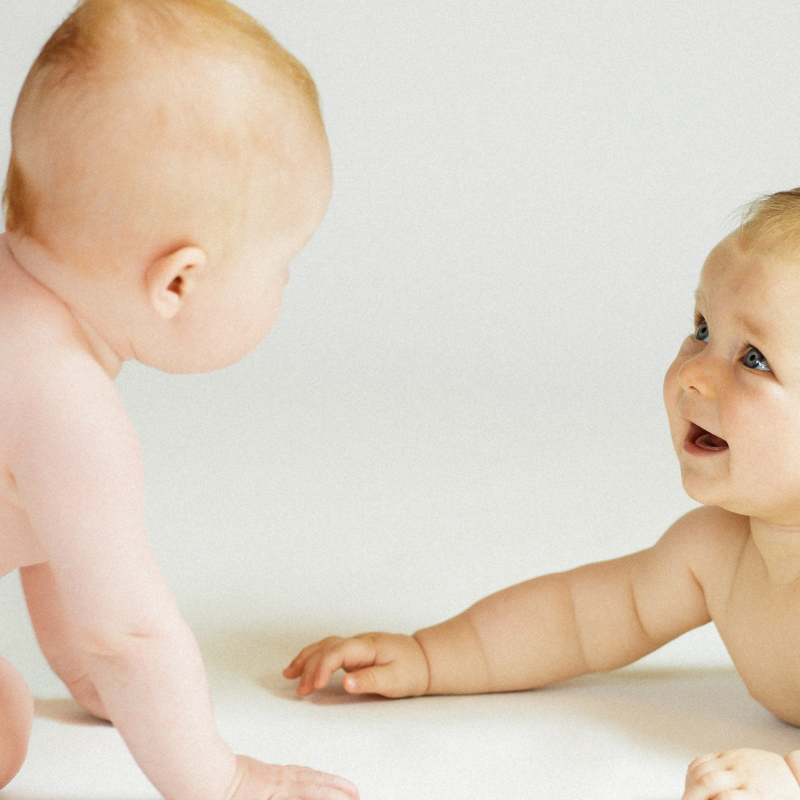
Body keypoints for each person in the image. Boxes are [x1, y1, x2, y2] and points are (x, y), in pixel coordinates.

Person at [285, 188, 800, 799]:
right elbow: (578, 619)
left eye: (753, 359)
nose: (693, 371)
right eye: (701, 329)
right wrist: (429, 657)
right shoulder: (716, 550)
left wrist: (788, 776)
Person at [0, 1, 358, 798]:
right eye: (283, 260)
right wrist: (223, 781)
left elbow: (51, 541)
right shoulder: (70, 411)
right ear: (179, 281)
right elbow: (127, 634)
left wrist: (96, 684)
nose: (288, 282)